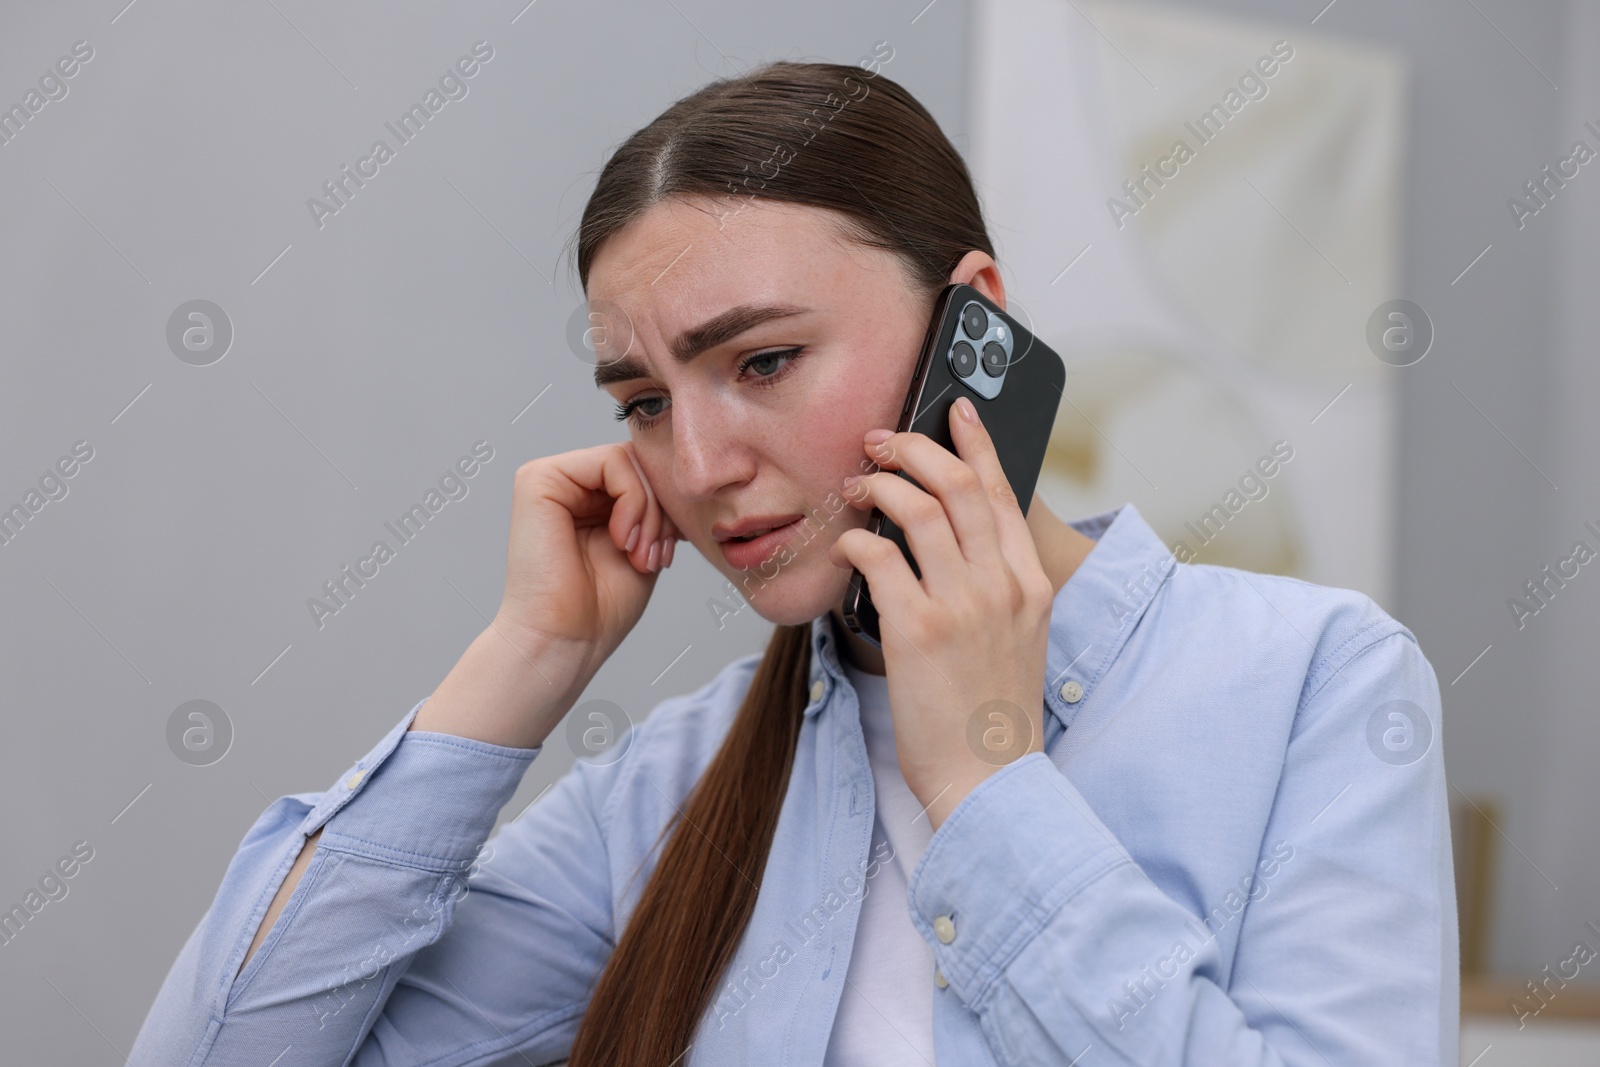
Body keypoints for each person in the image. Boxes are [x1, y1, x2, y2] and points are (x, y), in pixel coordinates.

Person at [129, 59, 1457, 1066]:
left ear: (973, 325)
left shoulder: (1314, 686)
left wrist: (988, 790)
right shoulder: (664, 796)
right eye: (642, 399)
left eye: (762, 362)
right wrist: (523, 662)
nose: (698, 464)